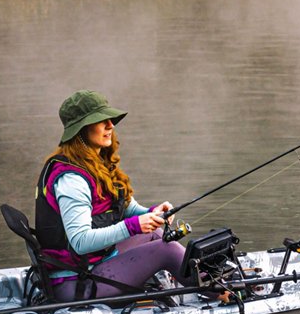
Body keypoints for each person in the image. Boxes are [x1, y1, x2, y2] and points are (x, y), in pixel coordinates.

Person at [33, 90, 186, 301]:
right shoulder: (72, 180)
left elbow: (128, 210)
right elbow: (80, 241)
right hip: (74, 283)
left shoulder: (97, 165)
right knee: (166, 250)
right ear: (81, 130)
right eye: (101, 121)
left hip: (94, 264)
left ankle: (207, 276)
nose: (110, 126)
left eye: (110, 120)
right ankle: (220, 291)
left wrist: (152, 214)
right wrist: (134, 225)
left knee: (157, 235)